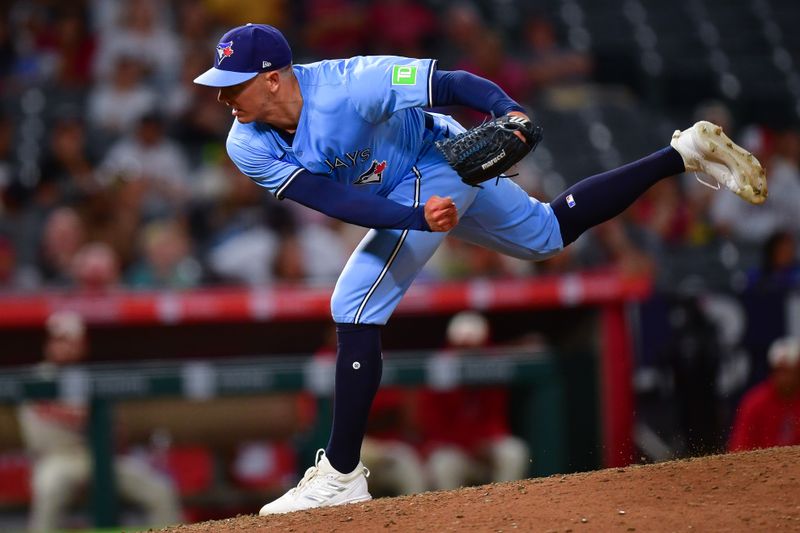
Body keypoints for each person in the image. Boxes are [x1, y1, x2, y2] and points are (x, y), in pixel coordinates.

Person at [192, 23, 767, 514]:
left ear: (273, 77)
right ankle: (684, 152)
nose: (222, 98)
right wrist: (415, 218)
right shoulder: (246, 143)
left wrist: (506, 111)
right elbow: (332, 200)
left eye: (231, 84)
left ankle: (341, 475)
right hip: (409, 193)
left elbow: (450, 82)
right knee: (546, 234)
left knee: (353, 303)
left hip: (437, 157)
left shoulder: (350, 82)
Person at [17, 311, 181, 532]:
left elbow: (116, 429)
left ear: (82, 345)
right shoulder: (37, 377)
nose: (65, 347)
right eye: (59, 340)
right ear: (49, 343)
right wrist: (92, 418)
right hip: (58, 459)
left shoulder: (89, 377)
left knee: (160, 491)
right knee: (49, 490)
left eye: (72, 341)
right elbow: (62, 413)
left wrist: (107, 428)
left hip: (100, 456)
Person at [728, 337, 800, 452]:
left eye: (787, 371)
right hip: (761, 468)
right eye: (778, 371)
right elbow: (739, 448)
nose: (782, 377)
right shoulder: (755, 402)